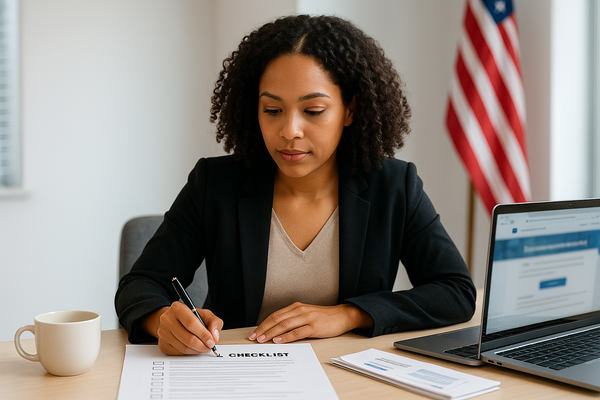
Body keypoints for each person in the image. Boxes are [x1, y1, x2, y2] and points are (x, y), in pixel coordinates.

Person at [115, 14, 476, 356]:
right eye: (272, 110)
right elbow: (140, 285)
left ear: (350, 110)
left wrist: (348, 314)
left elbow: (455, 292)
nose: (289, 131)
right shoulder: (215, 184)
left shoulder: (395, 186)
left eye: (313, 111)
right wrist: (162, 320)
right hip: (240, 377)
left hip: (349, 380)